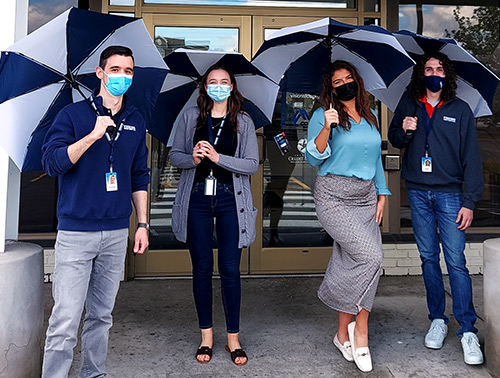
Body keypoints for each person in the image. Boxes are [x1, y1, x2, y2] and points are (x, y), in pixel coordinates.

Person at [41, 45, 150, 378]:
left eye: (128, 71)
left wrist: (142, 224)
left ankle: (93, 373)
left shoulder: (135, 119)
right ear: (100, 73)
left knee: (102, 316)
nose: (122, 77)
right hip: (76, 234)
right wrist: (92, 135)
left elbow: (139, 174)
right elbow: (52, 164)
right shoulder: (72, 116)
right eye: (115, 70)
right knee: (65, 320)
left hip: (116, 233)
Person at [388, 52, 484, 365]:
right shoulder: (409, 103)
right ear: (421, 74)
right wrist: (405, 129)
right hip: (417, 192)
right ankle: (437, 320)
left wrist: (469, 201)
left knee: (456, 261)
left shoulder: (460, 109)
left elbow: (472, 157)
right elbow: (395, 140)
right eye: (428, 69)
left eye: (439, 68)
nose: (434, 73)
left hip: (450, 196)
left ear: (447, 74)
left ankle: (468, 329)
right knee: (429, 258)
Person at [169, 63, 258, 366]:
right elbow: (174, 155)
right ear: (204, 87)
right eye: (212, 81)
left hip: (230, 201)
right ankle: (206, 336)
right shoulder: (191, 117)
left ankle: (233, 338)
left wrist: (220, 158)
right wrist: (192, 158)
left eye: (224, 81)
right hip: (196, 200)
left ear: (232, 87)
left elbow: (251, 165)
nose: (218, 85)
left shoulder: (242, 121)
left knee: (230, 270)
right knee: (202, 268)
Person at [305, 60, 390, 373]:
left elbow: (377, 158)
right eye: (337, 81)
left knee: (351, 260)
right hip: (333, 196)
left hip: (366, 196)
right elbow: (313, 157)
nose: (344, 84)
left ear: (357, 81)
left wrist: (382, 194)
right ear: (331, 88)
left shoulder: (369, 116)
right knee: (372, 259)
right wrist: (327, 126)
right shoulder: (322, 115)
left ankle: (342, 334)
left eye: (348, 78)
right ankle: (361, 329)